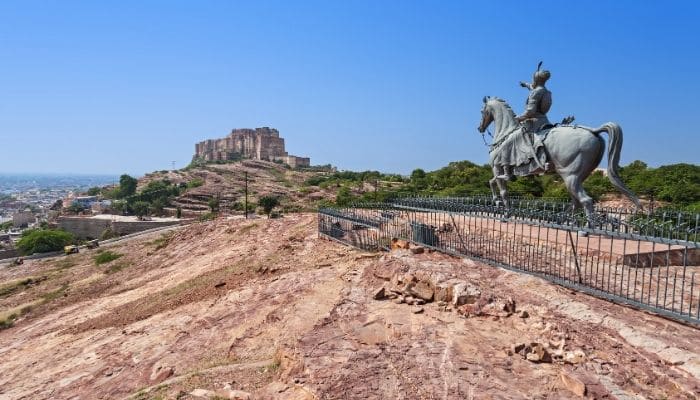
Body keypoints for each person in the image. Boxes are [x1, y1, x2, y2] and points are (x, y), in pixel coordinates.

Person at [495, 65, 553, 180]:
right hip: (544, 120)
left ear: (536, 79)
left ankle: (507, 173)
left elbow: (530, 112)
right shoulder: (545, 91)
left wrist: (517, 119)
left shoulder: (536, 92)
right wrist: (526, 85)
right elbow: (533, 88)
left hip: (533, 123)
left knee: (507, 142)